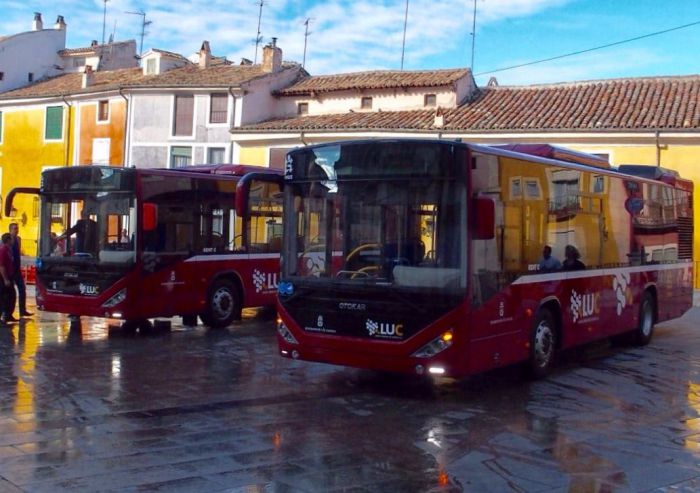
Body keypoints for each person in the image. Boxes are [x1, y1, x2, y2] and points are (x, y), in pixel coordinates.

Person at [9, 223, 32, 317]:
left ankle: (22, 310)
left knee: (22, 289)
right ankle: (8, 312)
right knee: (10, 292)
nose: (17, 230)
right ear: (10, 230)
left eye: (17, 228)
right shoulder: (7, 240)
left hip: (17, 268)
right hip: (10, 269)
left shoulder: (19, 239)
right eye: (15, 228)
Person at [0, 233, 15, 325]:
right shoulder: (3, 250)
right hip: (3, 277)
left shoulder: (9, 250)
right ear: (8, 240)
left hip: (9, 276)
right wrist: (5, 279)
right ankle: (3, 316)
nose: (13, 240)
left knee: (11, 296)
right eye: (11, 239)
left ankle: (8, 315)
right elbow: (1, 266)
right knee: (4, 298)